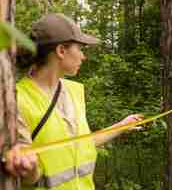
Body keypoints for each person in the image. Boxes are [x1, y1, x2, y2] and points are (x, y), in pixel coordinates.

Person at [4, 13, 143, 190]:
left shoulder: (74, 91)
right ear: (61, 51)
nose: (83, 56)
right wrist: (29, 169)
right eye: (80, 49)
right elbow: (29, 176)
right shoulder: (16, 100)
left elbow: (80, 143)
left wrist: (121, 126)